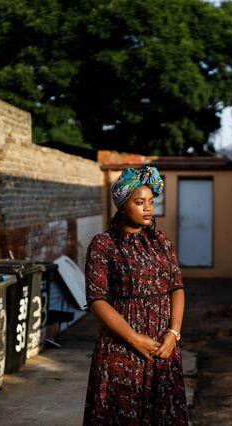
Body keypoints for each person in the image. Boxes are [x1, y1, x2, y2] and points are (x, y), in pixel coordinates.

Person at [83, 166, 188, 425]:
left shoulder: (161, 241)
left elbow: (176, 287)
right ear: (122, 204)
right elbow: (97, 300)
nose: (148, 208)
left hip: (163, 346)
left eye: (151, 202)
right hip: (122, 347)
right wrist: (134, 339)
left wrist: (173, 333)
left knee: (163, 414)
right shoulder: (103, 244)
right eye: (139, 202)